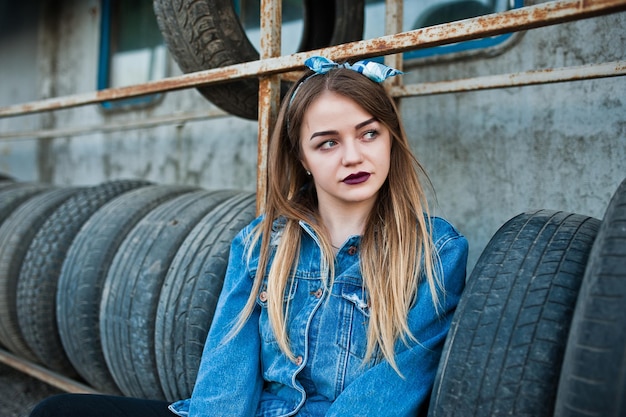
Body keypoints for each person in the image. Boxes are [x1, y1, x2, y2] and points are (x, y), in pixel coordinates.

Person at [30, 56, 468, 417]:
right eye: (327, 143)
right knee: (56, 413)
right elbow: (228, 366)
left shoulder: (434, 253)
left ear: (390, 138)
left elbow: (395, 388)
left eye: (369, 133)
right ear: (301, 157)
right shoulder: (262, 244)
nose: (354, 156)